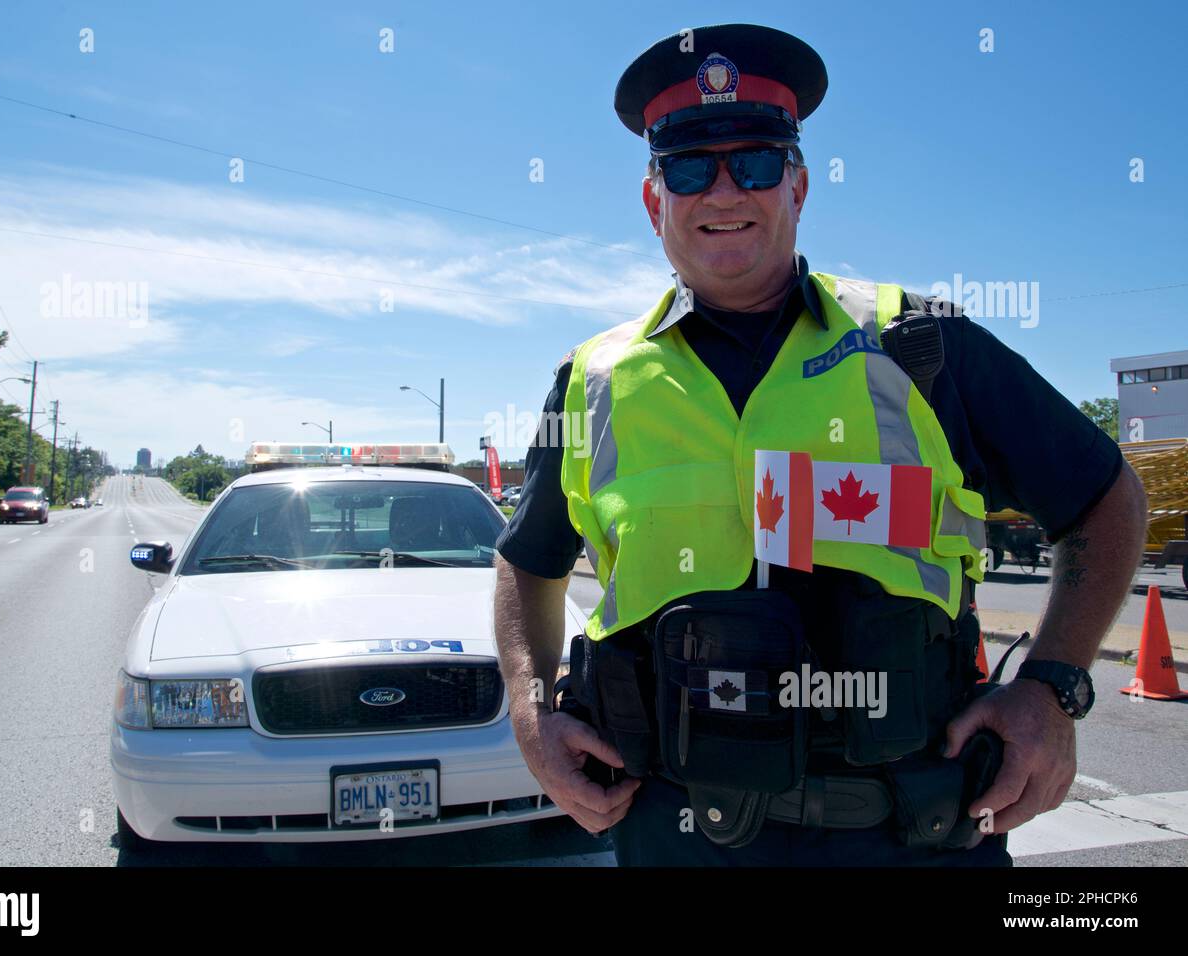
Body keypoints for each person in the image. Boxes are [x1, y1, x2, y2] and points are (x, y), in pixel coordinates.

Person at [492, 23, 1148, 866]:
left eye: (756, 163)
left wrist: (1054, 688)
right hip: (675, 836)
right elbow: (528, 561)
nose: (724, 193)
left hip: (909, 837)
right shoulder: (590, 380)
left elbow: (1104, 499)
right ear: (655, 201)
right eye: (690, 168)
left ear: (798, 185)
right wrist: (529, 706)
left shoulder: (922, 342)